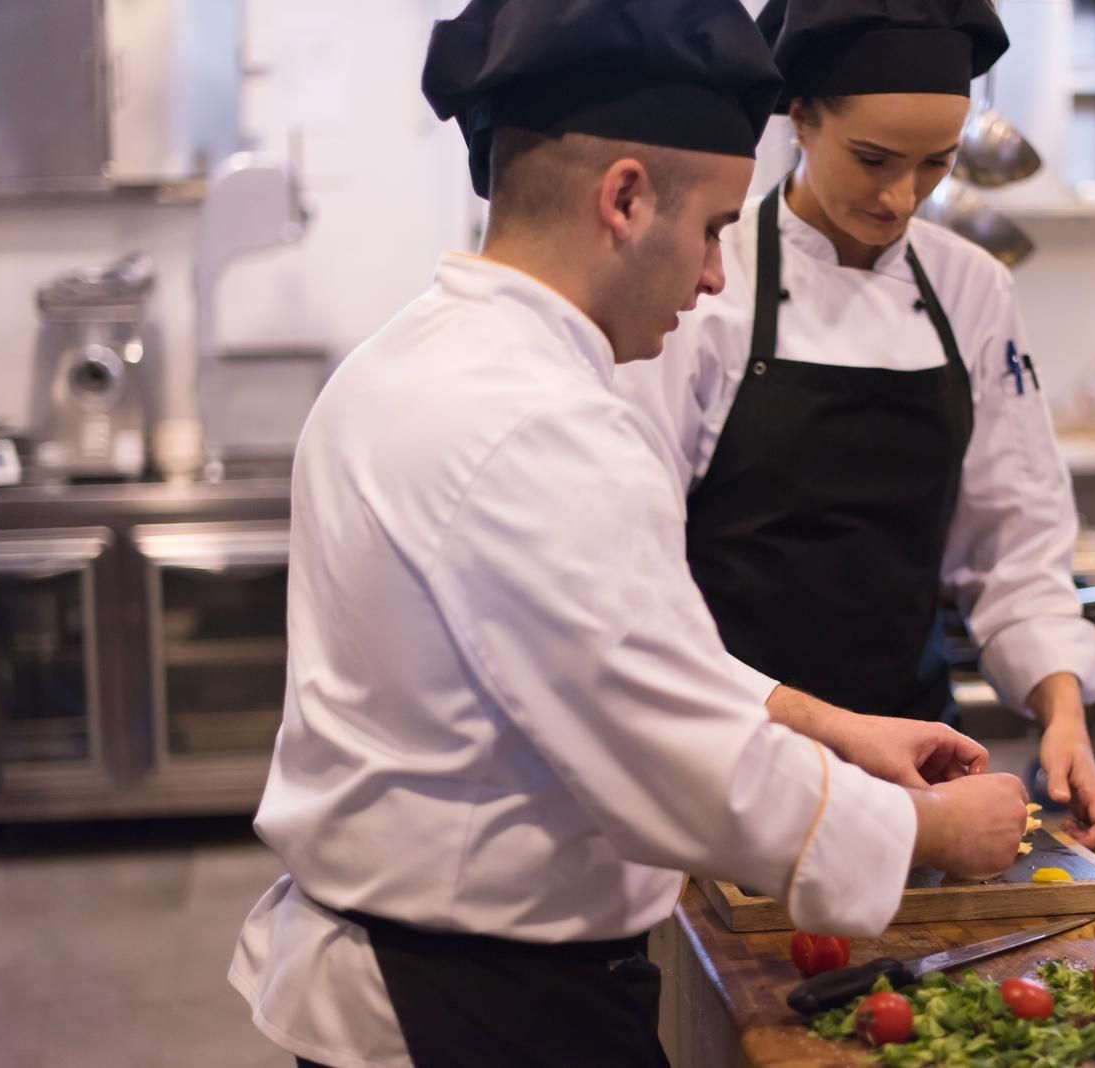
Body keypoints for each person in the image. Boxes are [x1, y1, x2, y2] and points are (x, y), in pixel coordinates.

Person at [228, 2, 1032, 1066]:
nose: (714, 275)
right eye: (712, 229)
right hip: (477, 1008)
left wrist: (828, 724)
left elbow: (604, 660)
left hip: (435, 977)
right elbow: (680, 760)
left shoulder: (414, 358)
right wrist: (928, 831)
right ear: (624, 199)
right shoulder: (541, 427)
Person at [614, 0, 1095, 846]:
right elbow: (638, 564)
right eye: (873, 159)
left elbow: (1017, 545)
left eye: (935, 165)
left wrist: (1061, 711)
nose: (901, 197)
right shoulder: (709, 283)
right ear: (801, 118)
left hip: (918, 766)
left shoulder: (972, 289)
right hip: (730, 763)